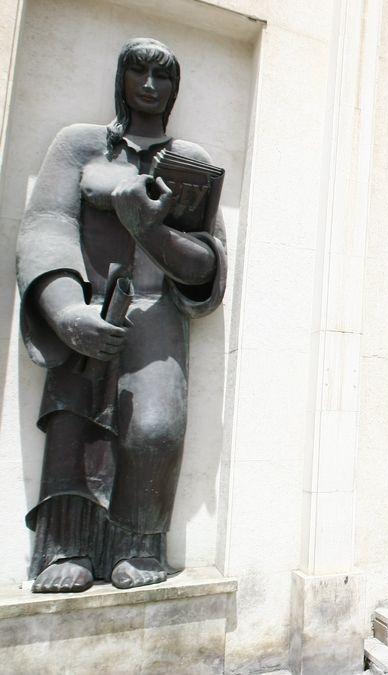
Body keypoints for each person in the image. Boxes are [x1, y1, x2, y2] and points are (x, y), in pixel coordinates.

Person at [15, 37, 226, 592]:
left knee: (156, 428)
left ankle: (138, 543)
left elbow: (208, 257)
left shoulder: (190, 162)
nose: (151, 87)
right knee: (75, 423)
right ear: (122, 78)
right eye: (140, 73)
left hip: (158, 310)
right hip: (90, 303)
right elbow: (46, 227)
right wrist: (63, 310)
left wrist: (150, 229)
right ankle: (68, 548)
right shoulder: (79, 145)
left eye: (164, 78)